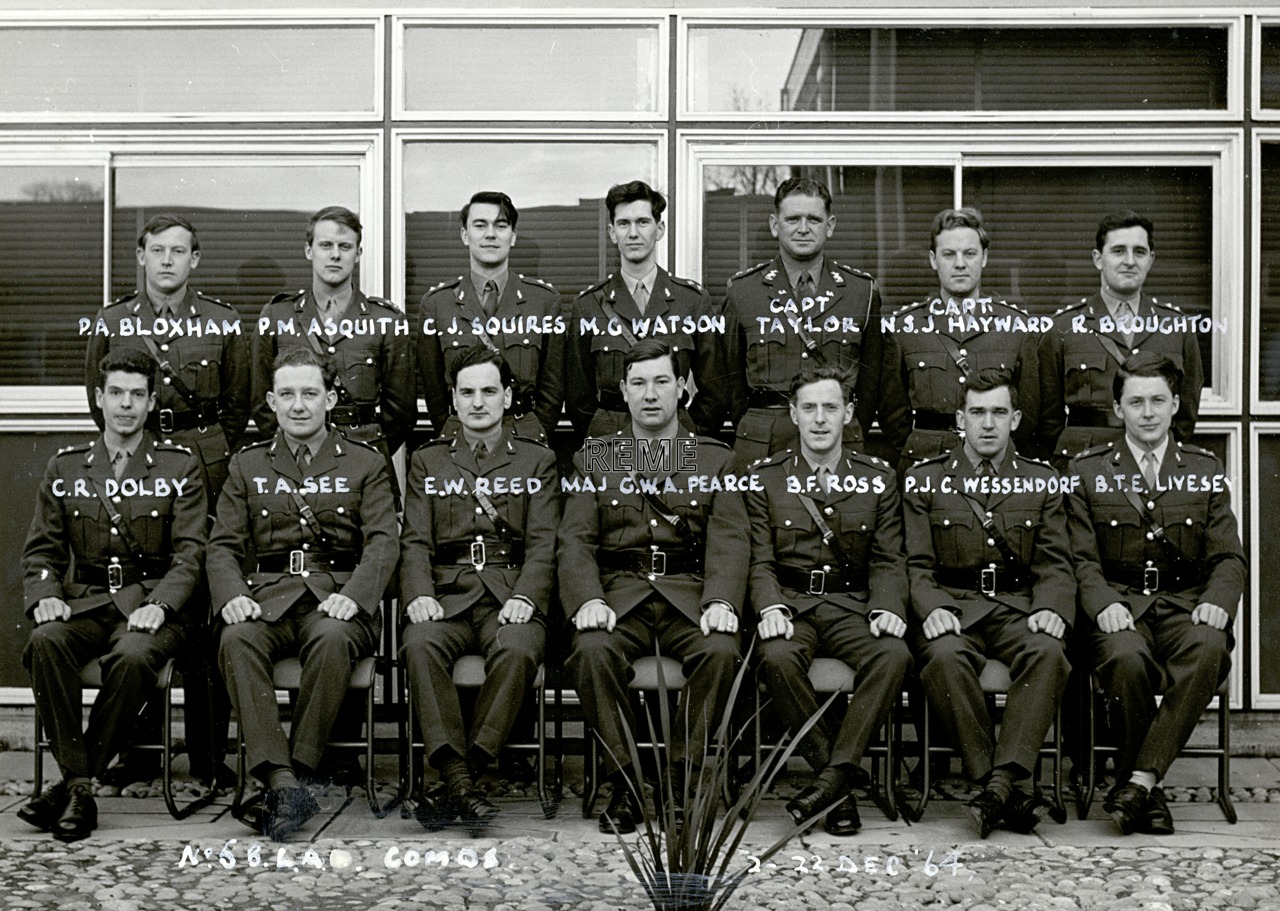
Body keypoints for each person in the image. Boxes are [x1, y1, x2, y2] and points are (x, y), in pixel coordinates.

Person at [560, 339, 748, 834]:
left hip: (689, 593)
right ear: (622, 391)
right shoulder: (598, 457)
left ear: (682, 389)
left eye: (662, 381)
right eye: (639, 383)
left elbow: (729, 539)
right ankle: (628, 784)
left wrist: (722, 600)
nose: (650, 394)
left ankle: (682, 781)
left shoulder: (713, 459)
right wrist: (589, 599)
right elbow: (575, 541)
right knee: (591, 650)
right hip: (621, 594)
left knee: (722, 649)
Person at [210, 346, 398, 842]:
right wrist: (231, 593)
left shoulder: (365, 462)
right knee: (235, 639)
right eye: (287, 394)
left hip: (336, 596)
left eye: (310, 393)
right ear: (270, 402)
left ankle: (297, 772)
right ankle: (283, 780)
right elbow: (222, 545)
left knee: (334, 637)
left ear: (331, 399)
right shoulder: (246, 465)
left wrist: (356, 596)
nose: (299, 405)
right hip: (268, 597)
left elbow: (384, 539)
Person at [83, 214, 246, 785]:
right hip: (142, 468)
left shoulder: (223, 322)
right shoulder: (112, 322)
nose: (169, 261)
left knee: (205, 608)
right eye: (159, 250)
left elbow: (240, 403)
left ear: (195, 260)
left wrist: (207, 456)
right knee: (141, 593)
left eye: (180, 251)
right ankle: (140, 752)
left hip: (207, 462)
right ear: (142, 257)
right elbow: (97, 401)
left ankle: (208, 756)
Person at [19, 349, 206, 841]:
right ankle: (81, 786)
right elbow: (42, 552)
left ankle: (70, 787)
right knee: (44, 641)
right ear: (99, 399)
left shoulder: (179, 464)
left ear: (150, 403)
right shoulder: (66, 467)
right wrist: (46, 596)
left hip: (150, 608)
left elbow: (191, 555)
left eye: (137, 395)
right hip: (88, 602)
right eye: (116, 393)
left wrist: (160, 605)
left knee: (134, 653)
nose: (126, 405)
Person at [1066, 352, 1244, 835]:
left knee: (1211, 647)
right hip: (1121, 606)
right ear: (1118, 408)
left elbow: (1229, 557)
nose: (1148, 411)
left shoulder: (1204, 468)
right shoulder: (1087, 471)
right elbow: (1080, 559)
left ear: (1175, 405)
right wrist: (1102, 604)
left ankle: (1139, 781)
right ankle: (1148, 793)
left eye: (1158, 401)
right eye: (1136, 401)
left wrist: (1218, 602)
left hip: (1184, 606)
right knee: (1125, 660)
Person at [904, 368, 1075, 838]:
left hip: (1017, 604)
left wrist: (1052, 607)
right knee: (941, 656)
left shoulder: (1041, 481)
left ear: (1016, 419)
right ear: (960, 418)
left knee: (1049, 651)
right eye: (977, 412)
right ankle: (1000, 786)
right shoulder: (926, 479)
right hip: (955, 605)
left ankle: (994, 788)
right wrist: (933, 606)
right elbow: (915, 564)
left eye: (999, 412)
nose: (987, 423)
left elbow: (1057, 562)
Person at [399, 346, 559, 831]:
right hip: (447, 595)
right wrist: (420, 594)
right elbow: (414, 542)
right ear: (452, 399)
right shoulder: (428, 462)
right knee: (420, 642)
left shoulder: (539, 460)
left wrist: (526, 596)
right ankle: (458, 777)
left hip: (508, 595)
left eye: (489, 391)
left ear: (508, 396)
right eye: (466, 392)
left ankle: (463, 774)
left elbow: (544, 543)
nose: (478, 402)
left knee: (518, 647)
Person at [748, 363, 911, 836]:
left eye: (831, 407)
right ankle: (836, 781)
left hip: (851, 605)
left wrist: (886, 608)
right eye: (810, 408)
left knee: (893, 653)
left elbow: (888, 557)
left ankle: (831, 781)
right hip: (793, 604)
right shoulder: (765, 476)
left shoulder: (877, 477)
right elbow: (759, 559)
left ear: (849, 414)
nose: (820, 419)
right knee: (775, 656)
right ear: (793, 415)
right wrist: (770, 606)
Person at [721, 177, 883, 464]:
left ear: (830, 226)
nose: (804, 228)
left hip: (839, 442)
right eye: (793, 219)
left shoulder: (861, 292)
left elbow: (871, 386)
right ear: (775, 225)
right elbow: (732, 384)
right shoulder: (744, 292)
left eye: (814, 219)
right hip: (765, 443)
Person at [252, 205, 414, 485]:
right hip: (294, 462)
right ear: (308, 250)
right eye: (325, 245)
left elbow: (401, 409)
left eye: (345, 246)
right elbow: (259, 399)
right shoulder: (277, 315)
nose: (335, 255)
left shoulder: (386, 320)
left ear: (358, 253)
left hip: (365, 461)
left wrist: (368, 452)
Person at [1040, 211, 1205, 470]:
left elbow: (1186, 412)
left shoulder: (1176, 327)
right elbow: (1047, 420)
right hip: (1085, 466)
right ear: (1098, 259)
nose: (1129, 261)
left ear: (1150, 260)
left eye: (1139, 252)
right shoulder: (1063, 328)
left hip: (1155, 465)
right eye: (1118, 251)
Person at [879, 207, 1041, 469]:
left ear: (984, 257)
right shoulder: (904, 329)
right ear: (933, 260)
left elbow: (1030, 413)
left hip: (995, 467)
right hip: (926, 465)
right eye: (948, 254)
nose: (959, 264)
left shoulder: (1016, 328)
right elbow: (892, 415)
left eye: (969, 254)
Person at [566, 180, 728, 438]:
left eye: (642, 222)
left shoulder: (692, 301)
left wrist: (689, 432)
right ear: (611, 232)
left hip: (676, 437)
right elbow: (577, 398)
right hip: (609, 441)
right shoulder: (588, 305)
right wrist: (600, 435)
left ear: (659, 229)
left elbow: (716, 392)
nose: (633, 233)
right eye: (623, 224)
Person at [417, 191, 565, 443]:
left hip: (525, 438)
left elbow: (552, 388)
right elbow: (434, 393)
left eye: (501, 225)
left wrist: (536, 434)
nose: (490, 234)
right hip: (461, 439)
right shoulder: (437, 304)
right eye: (480, 225)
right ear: (465, 235)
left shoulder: (544, 302)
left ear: (513, 236)